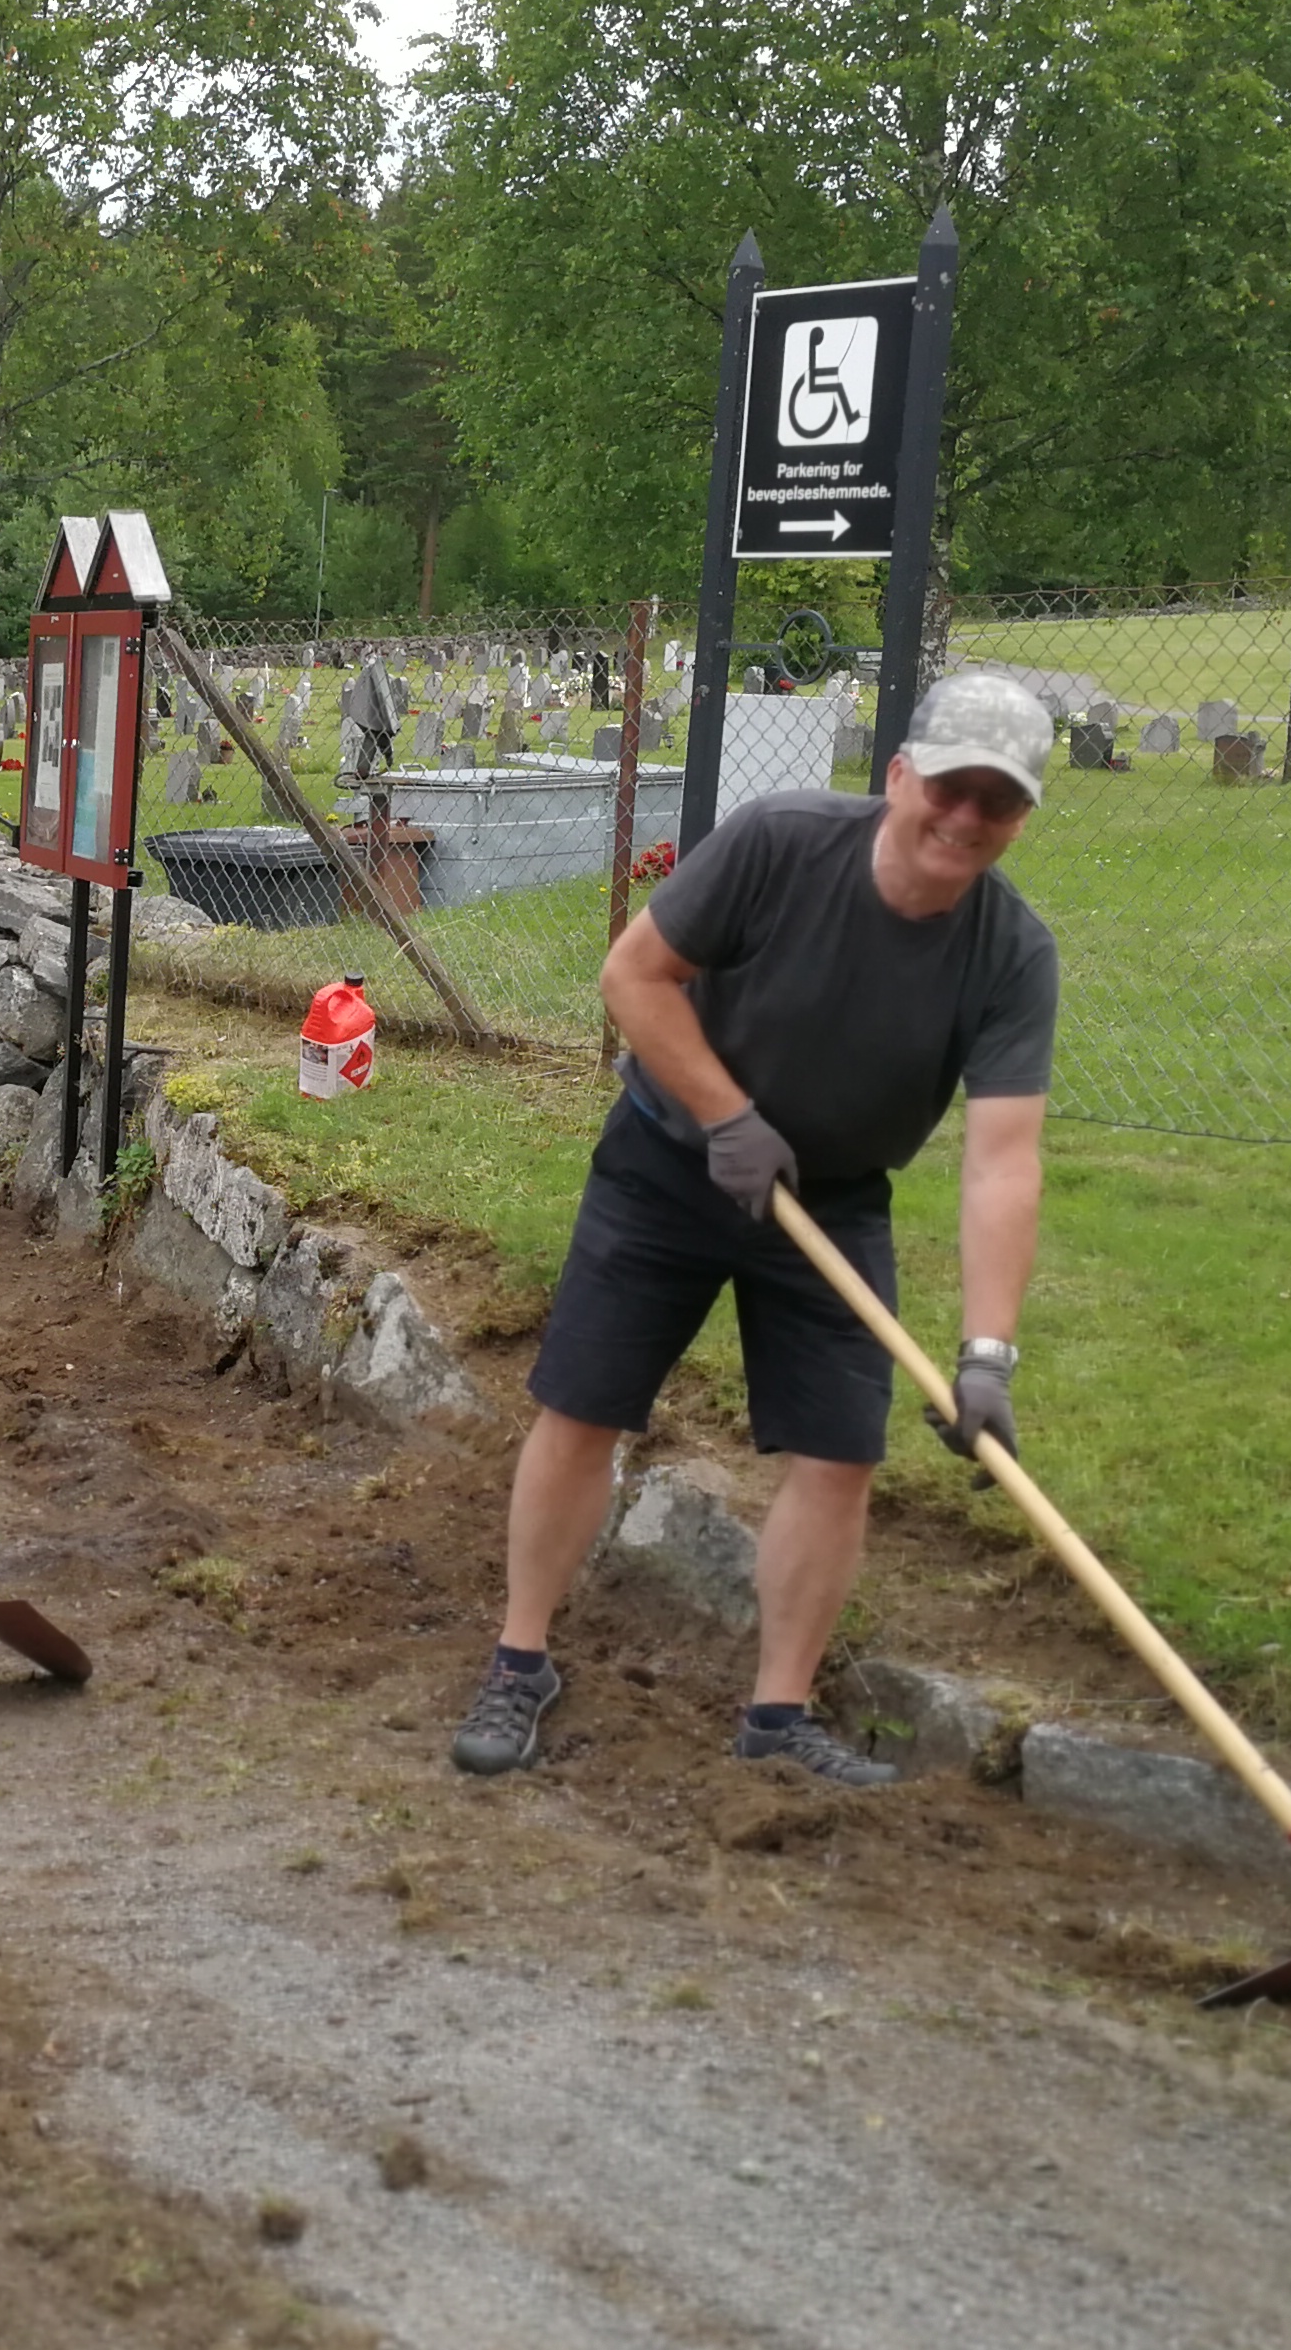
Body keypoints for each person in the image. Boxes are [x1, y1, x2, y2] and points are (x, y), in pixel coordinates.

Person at [450, 670, 1062, 1786]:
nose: (966, 819)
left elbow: (1000, 1158)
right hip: (666, 1167)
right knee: (581, 1408)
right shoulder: (779, 843)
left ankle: (775, 1721)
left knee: (837, 1457)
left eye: (998, 802)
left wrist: (985, 1356)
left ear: (1021, 816)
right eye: (950, 789)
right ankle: (519, 1657)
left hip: (827, 1204)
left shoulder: (1009, 953)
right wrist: (725, 1115)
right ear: (899, 778)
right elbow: (632, 977)